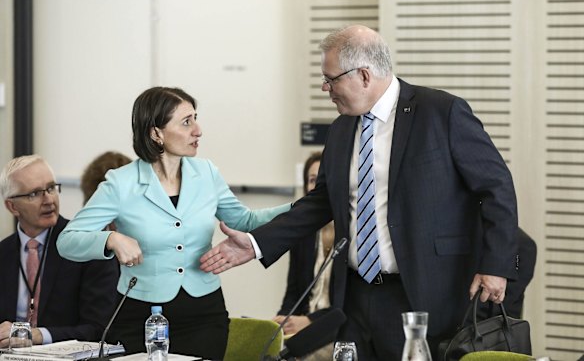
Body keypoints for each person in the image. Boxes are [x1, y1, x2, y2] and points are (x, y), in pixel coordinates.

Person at [200, 25, 519, 360]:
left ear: (364, 75)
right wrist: (256, 244)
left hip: (421, 293)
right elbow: (320, 202)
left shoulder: (441, 112)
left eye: (331, 78)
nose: (325, 87)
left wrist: (496, 264)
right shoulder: (341, 128)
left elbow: (496, 187)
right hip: (353, 297)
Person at [56, 86, 291, 360]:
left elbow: (245, 220)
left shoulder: (206, 173)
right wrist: (111, 240)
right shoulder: (121, 183)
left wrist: (302, 207)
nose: (198, 130)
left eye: (196, 118)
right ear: (156, 133)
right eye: (187, 122)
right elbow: (67, 240)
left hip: (204, 314)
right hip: (139, 317)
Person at [0, 155, 118, 347]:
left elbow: (99, 329)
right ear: (12, 206)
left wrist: (38, 335)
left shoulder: (89, 245)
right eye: (34, 194)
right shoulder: (3, 253)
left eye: (51, 188)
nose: (48, 200)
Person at [273, 152, 334, 360]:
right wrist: (282, 320)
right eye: (311, 180)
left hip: (336, 327)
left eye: (323, 178)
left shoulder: (355, 233)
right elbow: (293, 292)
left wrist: (310, 321)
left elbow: (351, 303)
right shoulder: (304, 235)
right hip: (303, 326)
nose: (317, 185)